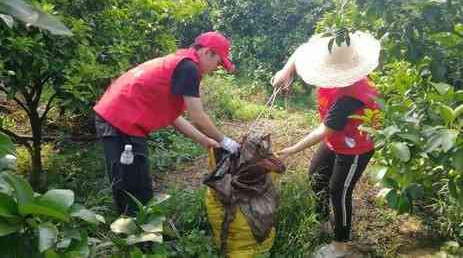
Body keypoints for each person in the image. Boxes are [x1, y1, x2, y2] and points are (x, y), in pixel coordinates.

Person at [93, 31, 241, 215]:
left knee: (140, 184)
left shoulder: (181, 62)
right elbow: (198, 116)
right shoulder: (189, 68)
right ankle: (132, 236)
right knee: (130, 187)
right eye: (218, 63)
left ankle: (143, 233)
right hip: (119, 120)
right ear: (207, 52)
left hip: (123, 119)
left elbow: (173, 117)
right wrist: (225, 141)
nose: (215, 68)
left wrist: (205, 141)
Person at [272, 31, 381, 258]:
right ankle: (321, 221)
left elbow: (325, 129)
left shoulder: (353, 94)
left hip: (355, 146)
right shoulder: (335, 50)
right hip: (336, 139)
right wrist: (286, 71)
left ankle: (340, 245)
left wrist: (292, 149)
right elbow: (302, 49)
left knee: (339, 191)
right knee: (316, 176)